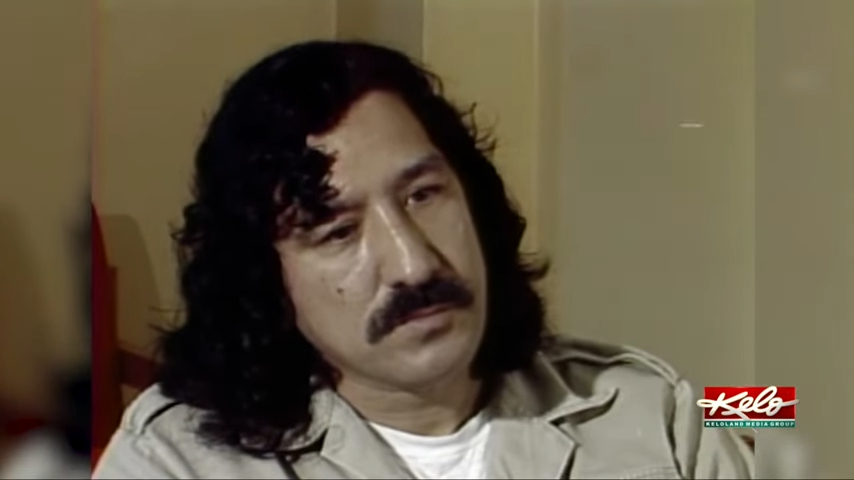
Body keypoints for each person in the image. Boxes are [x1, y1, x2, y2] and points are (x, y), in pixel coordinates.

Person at [93, 40, 753, 479]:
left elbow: (775, 407)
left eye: (423, 195)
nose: (413, 264)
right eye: (337, 231)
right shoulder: (173, 461)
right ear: (268, 280)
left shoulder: (652, 411)